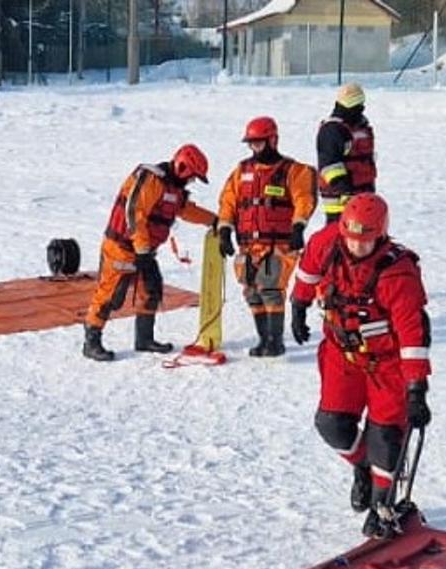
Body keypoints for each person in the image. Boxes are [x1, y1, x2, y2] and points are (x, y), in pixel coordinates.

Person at [289, 193, 432, 538]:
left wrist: (416, 388)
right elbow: (308, 272)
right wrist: (298, 304)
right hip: (342, 355)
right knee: (332, 425)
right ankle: (362, 468)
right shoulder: (327, 242)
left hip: (387, 365)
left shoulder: (398, 274)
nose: (356, 246)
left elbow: (413, 334)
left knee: (386, 437)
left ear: (380, 236)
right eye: (351, 238)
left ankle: (382, 504)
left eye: (364, 241)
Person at [84, 145, 217, 361]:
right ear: (183, 167)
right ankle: (91, 342)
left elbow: (186, 210)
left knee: (152, 290)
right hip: (121, 248)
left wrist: (214, 220)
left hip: (143, 251)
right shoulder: (151, 180)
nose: (192, 181)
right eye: (192, 176)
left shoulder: (174, 189)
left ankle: (144, 339)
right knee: (110, 296)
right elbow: (135, 213)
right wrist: (143, 251)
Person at [217, 117, 318, 357]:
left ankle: (275, 341)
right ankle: (263, 339)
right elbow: (228, 201)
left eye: (259, 144)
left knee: (271, 289)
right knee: (252, 291)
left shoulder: (293, 171)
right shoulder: (242, 171)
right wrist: (224, 230)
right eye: (251, 144)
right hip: (248, 245)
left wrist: (298, 228)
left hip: (279, 243)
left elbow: (305, 199)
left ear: (272, 140)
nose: (254, 149)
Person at [316, 83, 376, 224]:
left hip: (363, 196)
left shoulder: (359, 127)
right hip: (339, 201)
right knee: (338, 238)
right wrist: (345, 190)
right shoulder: (332, 130)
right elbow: (329, 165)